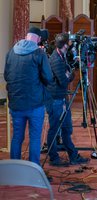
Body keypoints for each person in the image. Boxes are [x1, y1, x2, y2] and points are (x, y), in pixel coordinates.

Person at [4, 27, 53, 165]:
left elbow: (7, 76)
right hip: (35, 103)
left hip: (15, 103)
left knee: (17, 137)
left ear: (27, 37)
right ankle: (33, 169)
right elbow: (48, 78)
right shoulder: (39, 54)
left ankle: (14, 167)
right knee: (35, 138)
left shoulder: (11, 52)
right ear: (37, 39)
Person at [46, 33, 89, 166]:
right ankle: (54, 157)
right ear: (65, 45)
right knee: (54, 128)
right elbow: (64, 81)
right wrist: (72, 75)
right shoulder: (56, 59)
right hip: (56, 99)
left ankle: (73, 155)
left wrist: (68, 72)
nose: (71, 45)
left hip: (61, 98)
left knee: (66, 128)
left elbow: (64, 76)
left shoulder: (60, 55)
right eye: (69, 43)